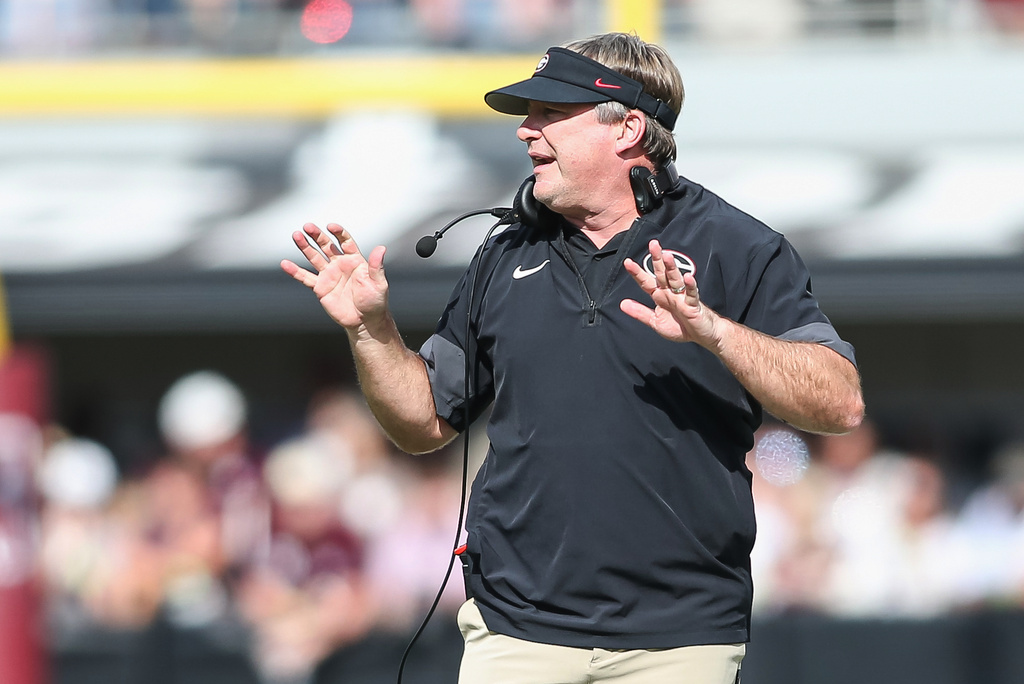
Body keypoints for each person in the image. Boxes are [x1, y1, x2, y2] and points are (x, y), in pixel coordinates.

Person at [282, 32, 864, 684]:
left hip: (678, 637)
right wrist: (372, 331)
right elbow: (421, 424)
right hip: (515, 628)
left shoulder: (740, 248)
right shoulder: (502, 254)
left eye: (552, 114)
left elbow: (840, 403)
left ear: (629, 128)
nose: (527, 132)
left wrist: (715, 332)